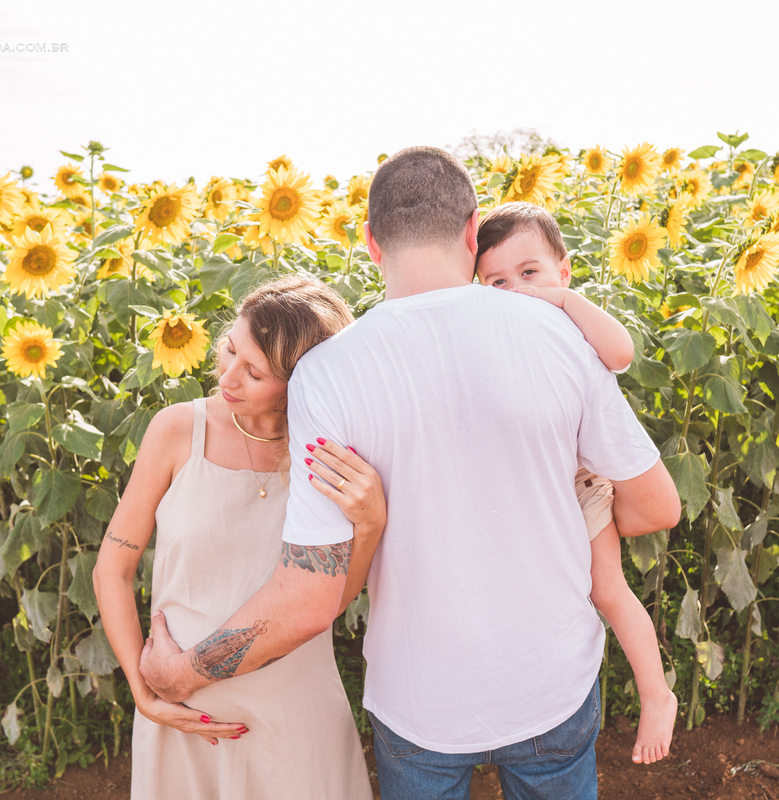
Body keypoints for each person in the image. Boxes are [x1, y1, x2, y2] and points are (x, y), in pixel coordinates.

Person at [140, 146, 681, 800]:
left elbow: (309, 595)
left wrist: (184, 672)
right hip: (550, 680)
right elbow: (656, 508)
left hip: (420, 699)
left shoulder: (328, 374)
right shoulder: (556, 333)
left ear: (371, 242)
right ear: (471, 231)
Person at [92, 275, 380, 799]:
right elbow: (112, 568)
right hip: (186, 721)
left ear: (303, 381)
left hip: (296, 716)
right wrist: (145, 693)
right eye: (230, 349)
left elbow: (334, 598)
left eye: (254, 371)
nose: (228, 375)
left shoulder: (332, 452)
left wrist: (372, 522)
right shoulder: (177, 430)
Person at [475, 201, 679, 765]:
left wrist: (565, 302)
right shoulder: (488, 330)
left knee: (607, 589)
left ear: (563, 269)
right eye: (497, 280)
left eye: (530, 272)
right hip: (526, 491)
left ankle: (656, 694)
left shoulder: (568, 313)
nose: (516, 289)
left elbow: (621, 353)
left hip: (581, 485)